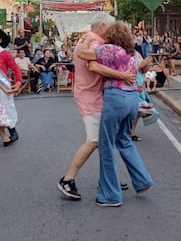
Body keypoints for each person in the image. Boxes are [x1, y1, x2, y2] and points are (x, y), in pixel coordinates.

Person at [57, 13, 136, 200]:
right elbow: (93, 67)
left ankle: (109, 178)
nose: (113, 32)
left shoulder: (89, 39)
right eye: (110, 28)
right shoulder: (94, 42)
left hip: (93, 94)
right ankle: (68, 179)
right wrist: (122, 76)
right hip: (90, 96)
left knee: (105, 140)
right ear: (102, 26)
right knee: (94, 139)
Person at [82, 21, 153, 207]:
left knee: (106, 146)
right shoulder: (130, 54)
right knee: (124, 140)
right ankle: (142, 179)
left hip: (115, 98)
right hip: (132, 100)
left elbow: (83, 54)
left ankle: (110, 195)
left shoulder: (109, 50)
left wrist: (85, 40)